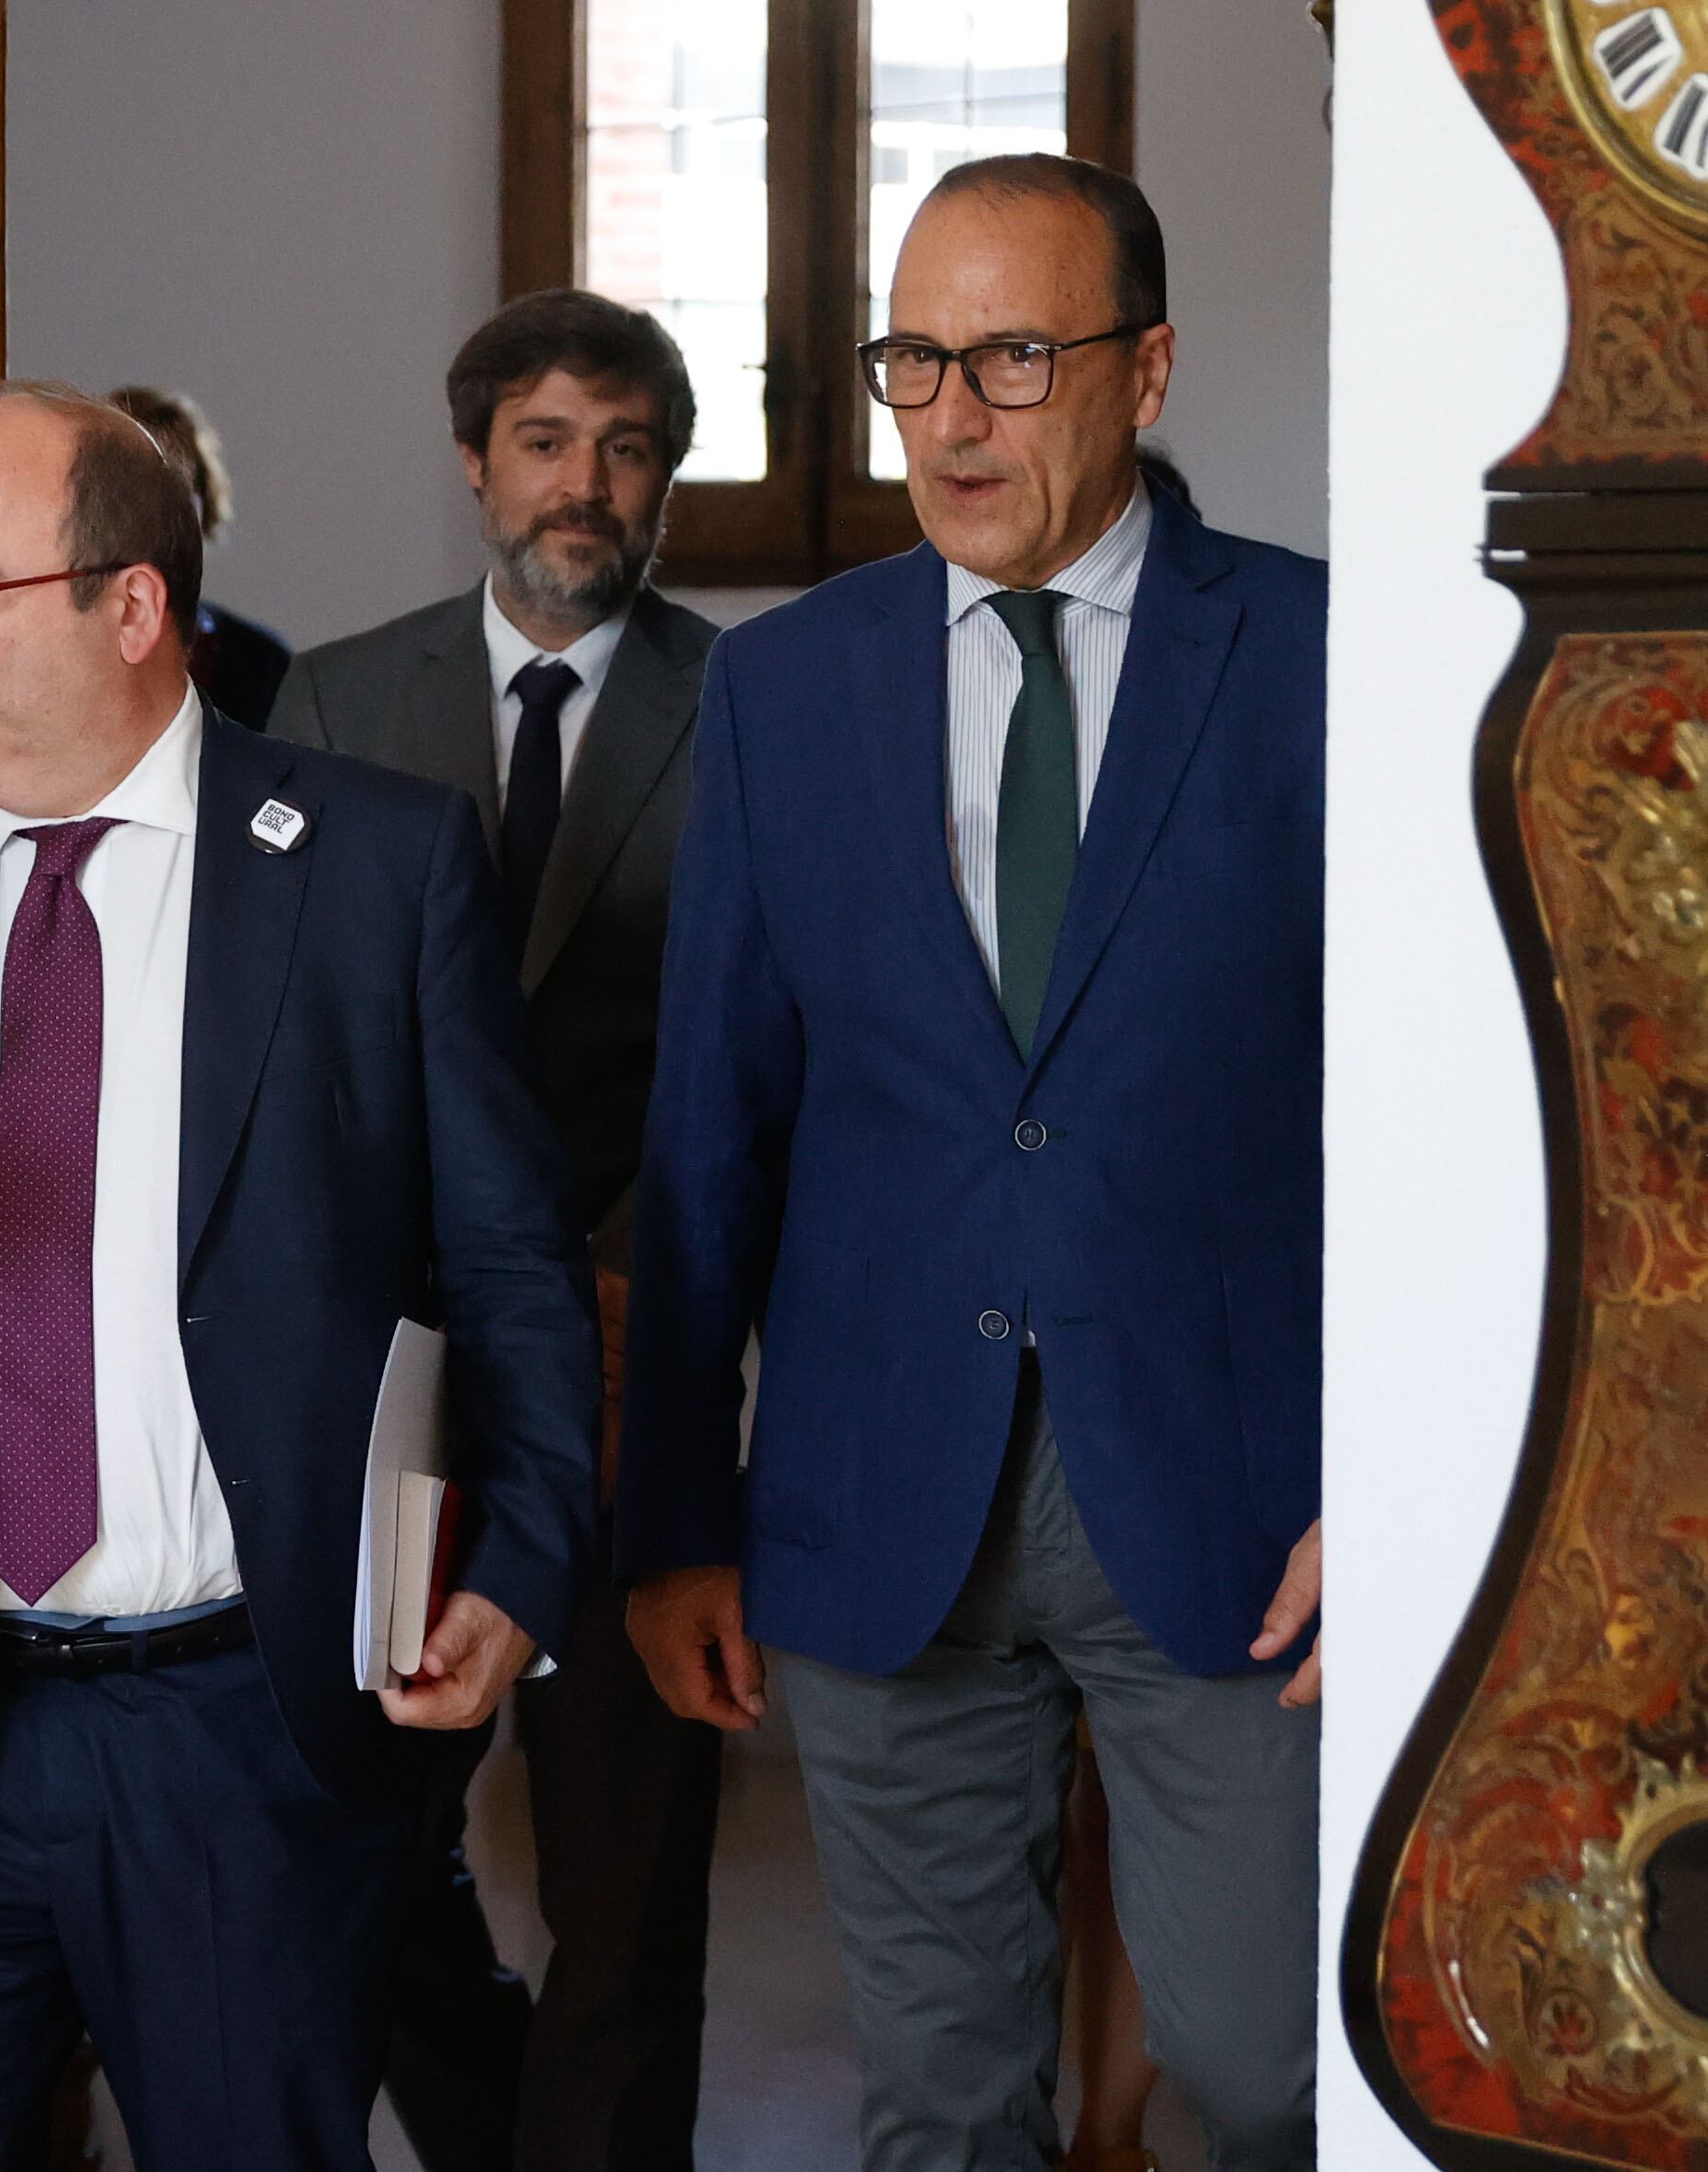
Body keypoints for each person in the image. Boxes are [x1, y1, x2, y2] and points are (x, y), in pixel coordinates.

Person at [0, 381, 601, 2170]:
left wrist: (529, 1563)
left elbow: (511, 1265)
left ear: (130, 604)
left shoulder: (375, 868)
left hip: (243, 1731)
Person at [617, 152, 1323, 2170]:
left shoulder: (1317, 659)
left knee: (1268, 2065)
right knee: (940, 2096)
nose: (948, 416)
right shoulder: (783, 684)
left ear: (1149, 368)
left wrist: (1400, 1486)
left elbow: (1420, 1118)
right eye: (911, 360)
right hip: (874, 1486)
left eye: (1012, 354)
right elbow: (710, 1121)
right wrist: (676, 1505)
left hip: (1234, 1499)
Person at [271, 288, 725, 2172]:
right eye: (547, 441)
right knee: (358, 1840)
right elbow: (287, 1034)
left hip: (645, 1347)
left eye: (628, 450)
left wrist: (627, 1280)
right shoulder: (334, 698)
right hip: (395, 1362)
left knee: (629, 1882)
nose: (586, 486)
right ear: (474, 462)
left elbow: (757, 1047)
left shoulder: (751, 707)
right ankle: (497, 2131)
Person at [106, 385, 292, 730]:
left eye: (179, 496)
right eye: (133, 497)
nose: (157, 521)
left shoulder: (263, 662)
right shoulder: (59, 650)